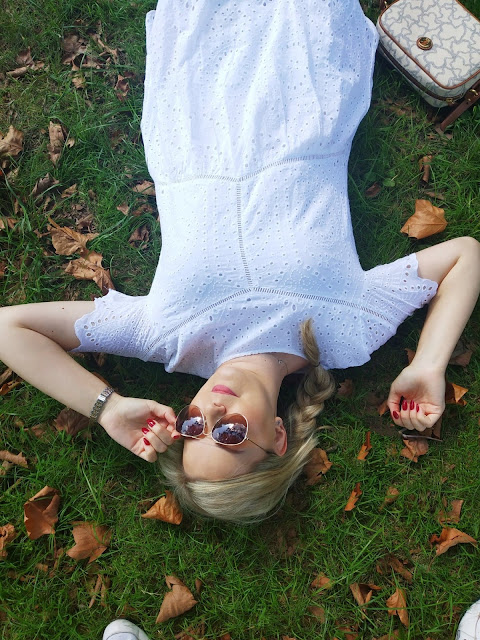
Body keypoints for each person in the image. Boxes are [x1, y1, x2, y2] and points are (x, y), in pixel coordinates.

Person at [0, 0, 479, 524]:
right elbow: (464, 256)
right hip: (301, 87)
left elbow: (9, 328)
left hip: (197, 101)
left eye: (193, 427)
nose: (211, 410)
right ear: (278, 436)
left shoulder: (167, 336)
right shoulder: (348, 331)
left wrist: (107, 407)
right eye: (229, 434)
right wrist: (428, 365)